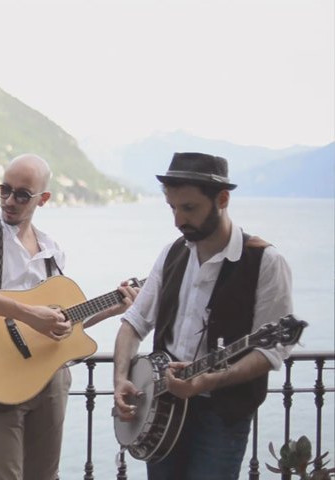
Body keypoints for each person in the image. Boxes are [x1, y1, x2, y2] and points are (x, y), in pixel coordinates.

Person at [0, 153, 138, 480]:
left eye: (22, 194)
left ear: (42, 199)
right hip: (0, 374)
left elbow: (60, 328)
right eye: (5, 189)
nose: (9, 200)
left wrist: (111, 309)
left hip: (50, 378)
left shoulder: (52, 251)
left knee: (45, 476)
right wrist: (27, 314)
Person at [112, 152, 293, 480]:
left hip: (223, 416)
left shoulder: (266, 262)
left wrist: (213, 380)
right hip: (161, 407)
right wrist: (121, 378)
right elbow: (133, 323)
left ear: (222, 199)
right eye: (173, 208)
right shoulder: (171, 253)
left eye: (189, 208)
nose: (178, 220)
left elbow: (271, 349)